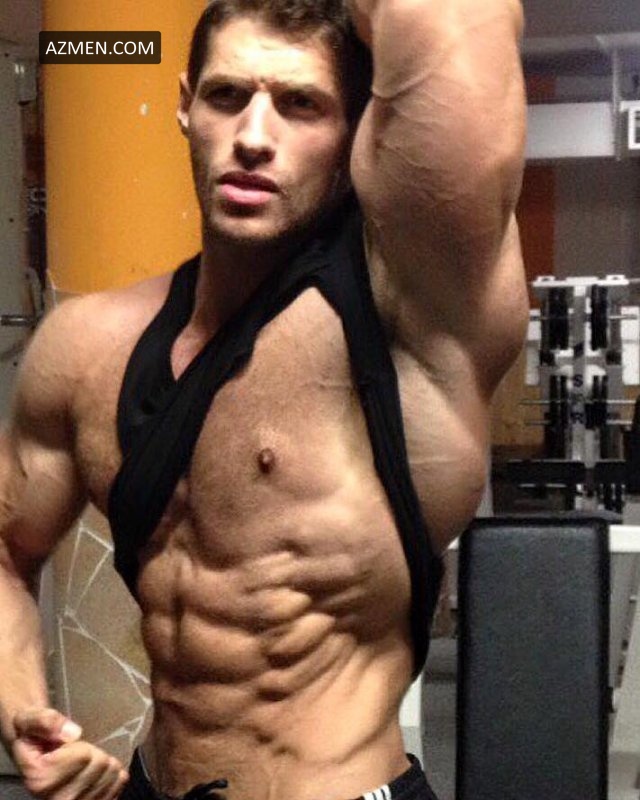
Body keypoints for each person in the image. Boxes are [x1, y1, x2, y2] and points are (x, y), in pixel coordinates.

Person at [0, 0, 527, 798]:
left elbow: (452, 16)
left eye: (300, 104)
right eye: (226, 95)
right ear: (185, 106)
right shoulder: (85, 348)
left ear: (357, 130)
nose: (253, 135)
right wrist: (21, 710)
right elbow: (8, 552)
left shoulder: (417, 320)